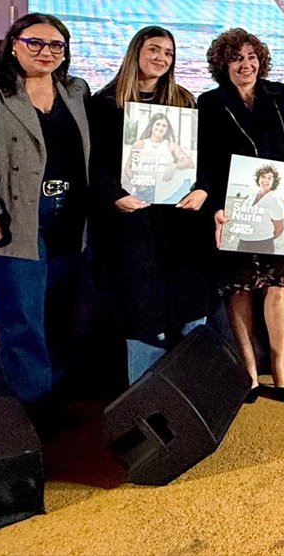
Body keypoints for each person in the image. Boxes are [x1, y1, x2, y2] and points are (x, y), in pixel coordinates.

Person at [0, 13, 90, 421]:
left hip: (68, 219)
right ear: (14, 43)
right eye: (35, 42)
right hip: (11, 219)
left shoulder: (75, 89)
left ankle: (56, 394)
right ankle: (33, 409)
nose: (47, 52)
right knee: (22, 317)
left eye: (56, 45)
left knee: (59, 311)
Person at [88, 26, 216, 384]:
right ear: (136, 52)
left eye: (168, 53)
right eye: (154, 49)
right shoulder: (105, 103)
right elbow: (94, 162)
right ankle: (145, 399)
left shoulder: (184, 101)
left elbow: (204, 159)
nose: (161, 58)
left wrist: (203, 190)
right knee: (142, 314)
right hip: (132, 224)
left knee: (190, 308)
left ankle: (191, 391)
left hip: (181, 224)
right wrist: (114, 194)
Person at [198, 28, 284, 401]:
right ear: (222, 64)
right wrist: (215, 207)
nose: (246, 65)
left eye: (251, 57)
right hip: (236, 210)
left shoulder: (279, 95)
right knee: (240, 288)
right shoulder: (210, 103)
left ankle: (279, 365)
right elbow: (205, 162)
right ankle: (248, 369)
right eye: (236, 58)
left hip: (281, 207)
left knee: (279, 286)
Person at [123, 111, 195, 203]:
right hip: (143, 190)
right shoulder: (139, 144)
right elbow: (128, 168)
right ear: (152, 125)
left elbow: (189, 163)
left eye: (164, 126)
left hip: (164, 190)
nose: (160, 128)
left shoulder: (171, 145)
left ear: (167, 129)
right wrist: (136, 181)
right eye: (158, 124)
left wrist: (174, 166)